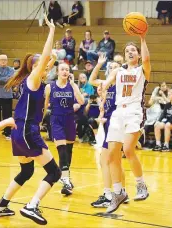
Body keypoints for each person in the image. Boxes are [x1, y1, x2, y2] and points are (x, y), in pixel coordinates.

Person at [0, 15, 61, 225]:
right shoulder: (33, 79)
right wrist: (51, 31)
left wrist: (54, 58)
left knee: (27, 170)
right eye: (41, 61)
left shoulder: (31, 80)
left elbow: (49, 61)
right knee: (54, 172)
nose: (45, 64)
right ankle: (32, 206)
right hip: (26, 130)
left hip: (18, 130)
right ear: (35, 66)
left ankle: (1, 205)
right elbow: (46, 58)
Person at [102, 35, 151, 213]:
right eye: (127, 51)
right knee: (111, 156)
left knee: (128, 149)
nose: (130, 52)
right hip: (118, 112)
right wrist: (103, 87)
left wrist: (142, 38)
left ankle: (141, 185)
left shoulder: (142, 71)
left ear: (137, 55)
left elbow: (146, 59)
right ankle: (118, 193)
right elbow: (106, 83)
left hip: (134, 111)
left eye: (133, 50)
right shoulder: (118, 72)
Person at [89, 54, 129, 207]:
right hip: (108, 125)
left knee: (105, 160)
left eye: (116, 67)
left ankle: (108, 194)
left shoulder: (121, 85)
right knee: (115, 161)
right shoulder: (106, 84)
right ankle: (122, 193)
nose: (113, 70)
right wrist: (99, 64)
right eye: (111, 68)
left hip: (115, 124)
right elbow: (92, 80)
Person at [44, 63, 84, 195]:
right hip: (56, 120)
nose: (65, 71)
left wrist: (73, 85)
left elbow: (82, 101)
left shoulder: (72, 86)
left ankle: (65, 175)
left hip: (69, 120)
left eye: (67, 69)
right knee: (61, 150)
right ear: (57, 71)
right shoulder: (50, 86)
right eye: (62, 69)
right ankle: (66, 179)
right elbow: (44, 106)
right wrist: (40, 121)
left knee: (68, 150)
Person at [0, 54, 15, 140]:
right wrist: (2, 80)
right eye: (1, 59)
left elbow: (9, 80)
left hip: (7, 95)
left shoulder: (11, 70)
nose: (3, 61)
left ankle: (7, 133)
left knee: (7, 115)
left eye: (5, 60)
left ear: (7, 61)